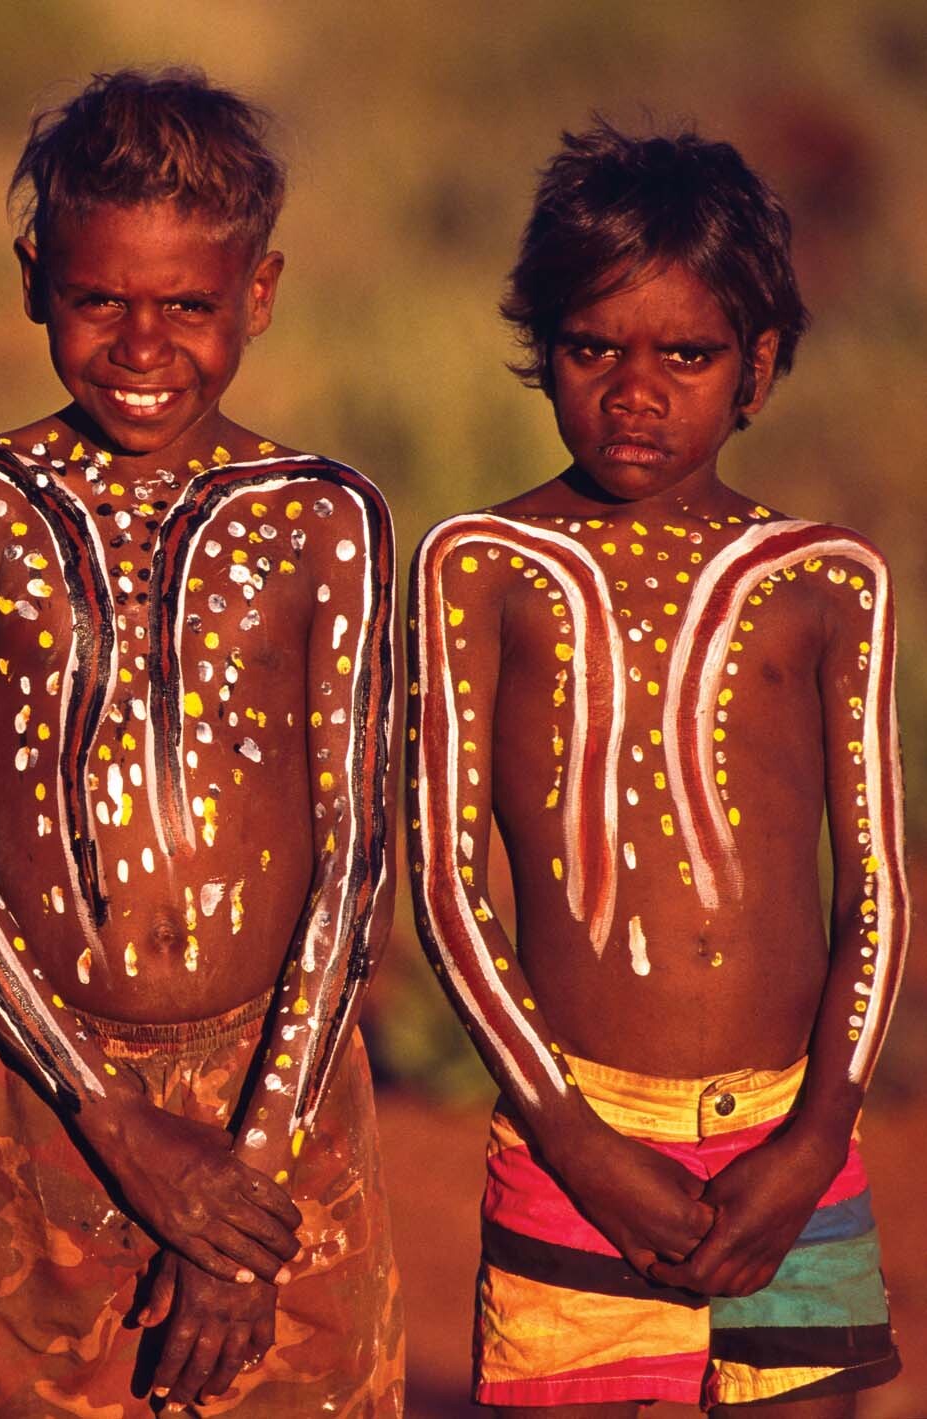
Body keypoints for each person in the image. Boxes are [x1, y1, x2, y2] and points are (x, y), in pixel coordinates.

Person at [0, 68, 404, 1416]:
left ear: (260, 290)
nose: (142, 345)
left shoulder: (325, 518)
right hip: (28, 1092)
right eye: (97, 300)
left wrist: (250, 1192)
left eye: (188, 305)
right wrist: (108, 1114)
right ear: (34, 280)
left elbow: (354, 858)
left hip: (280, 1090)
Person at [407, 123, 906, 1415]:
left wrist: (817, 1137)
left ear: (761, 366)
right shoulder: (481, 566)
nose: (637, 391)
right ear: (544, 350)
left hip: (797, 1139)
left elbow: (881, 892)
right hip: (576, 1136)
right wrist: (573, 1134)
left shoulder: (828, 581)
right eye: (593, 349)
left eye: (686, 354)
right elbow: (447, 885)